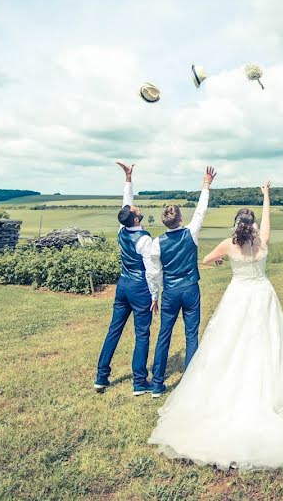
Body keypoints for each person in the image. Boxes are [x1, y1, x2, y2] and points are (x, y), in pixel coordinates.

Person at [148, 181, 283, 470]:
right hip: (262, 294)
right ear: (252, 225)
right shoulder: (262, 241)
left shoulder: (228, 245)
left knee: (230, 343)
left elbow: (205, 258)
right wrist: (266, 195)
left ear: (236, 225)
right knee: (266, 343)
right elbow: (267, 221)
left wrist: (220, 262)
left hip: (238, 295)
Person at [149, 166, 217, 398]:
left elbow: (156, 272)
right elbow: (201, 210)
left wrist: (155, 295)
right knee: (191, 334)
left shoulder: (157, 243)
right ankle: (190, 381)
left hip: (169, 291)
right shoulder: (191, 233)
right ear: (180, 218)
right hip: (189, 288)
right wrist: (206, 185)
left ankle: (157, 383)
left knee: (164, 335)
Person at [94, 161, 161, 396]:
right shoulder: (144, 240)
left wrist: (129, 178)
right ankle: (139, 382)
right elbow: (151, 271)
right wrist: (154, 295)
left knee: (114, 330)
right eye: (135, 210)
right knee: (142, 333)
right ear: (135, 219)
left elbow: (126, 204)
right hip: (140, 288)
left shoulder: (122, 230)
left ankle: (101, 377)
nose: (136, 208)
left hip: (122, 285)